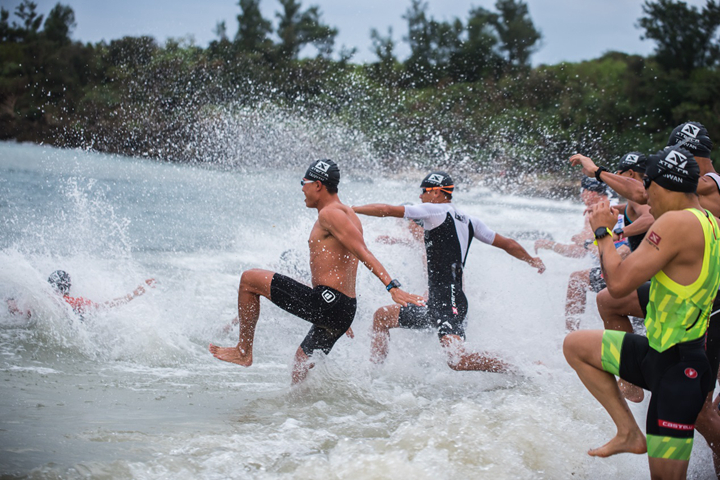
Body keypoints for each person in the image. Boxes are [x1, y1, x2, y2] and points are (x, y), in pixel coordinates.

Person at [571, 122, 720, 474]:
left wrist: (604, 233)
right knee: (581, 338)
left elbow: (620, 281)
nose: (642, 198)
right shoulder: (705, 218)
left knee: (701, 413)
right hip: (666, 357)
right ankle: (627, 428)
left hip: (680, 367)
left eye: (648, 184)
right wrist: (600, 172)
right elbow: (640, 194)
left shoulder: (680, 221)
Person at [209, 159, 425, 384]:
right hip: (342, 306)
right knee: (300, 363)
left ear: (318, 185)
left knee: (249, 280)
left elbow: (363, 251)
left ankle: (243, 350)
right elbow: (344, 265)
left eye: (304, 182)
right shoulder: (348, 214)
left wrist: (392, 287)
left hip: (328, 303)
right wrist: (341, 314)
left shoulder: (330, 214)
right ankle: (301, 414)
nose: (302, 188)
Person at [352, 171, 545, 372]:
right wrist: (531, 260)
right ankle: (372, 374)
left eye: (424, 191)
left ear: (436, 193)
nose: (420, 196)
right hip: (434, 303)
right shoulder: (470, 221)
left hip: (450, 301)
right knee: (382, 316)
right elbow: (508, 244)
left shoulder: (434, 211)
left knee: (457, 360)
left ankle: (524, 368)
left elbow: (386, 209)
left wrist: (350, 209)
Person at [535, 177, 626, 331]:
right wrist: (553, 245)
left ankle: (570, 334)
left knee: (576, 280)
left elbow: (583, 250)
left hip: (618, 268)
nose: (581, 195)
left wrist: (553, 245)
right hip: (626, 263)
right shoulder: (617, 206)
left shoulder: (597, 212)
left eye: (581, 191)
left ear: (590, 192)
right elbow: (583, 250)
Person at [7, 270, 156, 319]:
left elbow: (15, 307)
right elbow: (104, 305)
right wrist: (135, 293)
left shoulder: (38, 296)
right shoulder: (70, 301)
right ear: (68, 288)